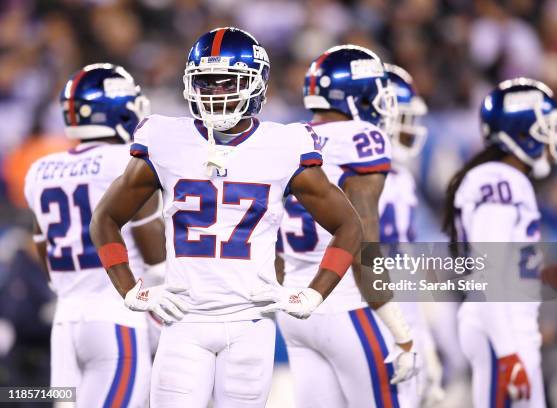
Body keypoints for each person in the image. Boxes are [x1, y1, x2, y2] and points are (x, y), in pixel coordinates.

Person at [89, 27, 363, 408]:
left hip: (251, 323)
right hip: (184, 320)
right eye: (205, 82)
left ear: (255, 84)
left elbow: (350, 226)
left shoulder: (284, 145)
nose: (215, 93)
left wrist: (313, 294)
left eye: (227, 82)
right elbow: (104, 218)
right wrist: (130, 289)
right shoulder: (165, 138)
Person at [276, 45, 417, 408]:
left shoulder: (290, 136)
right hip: (348, 306)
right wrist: (399, 330)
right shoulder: (362, 138)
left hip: (294, 309)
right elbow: (362, 242)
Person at [23, 63, 165, 407]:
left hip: (65, 320)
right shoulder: (129, 163)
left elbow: (41, 245)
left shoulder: (41, 168)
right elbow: (155, 255)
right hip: (116, 320)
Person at [442, 78, 557, 408]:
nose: (553, 137)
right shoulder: (501, 179)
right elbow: (488, 271)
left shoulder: (506, 178)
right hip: (500, 326)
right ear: (524, 131)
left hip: (505, 324)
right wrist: (508, 352)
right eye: (546, 127)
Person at [381, 63, 445, 407]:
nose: (410, 128)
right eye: (403, 116)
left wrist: (424, 340)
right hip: (375, 321)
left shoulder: (399, 178)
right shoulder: (371, 179)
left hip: (394, 318)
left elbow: (402, 271)